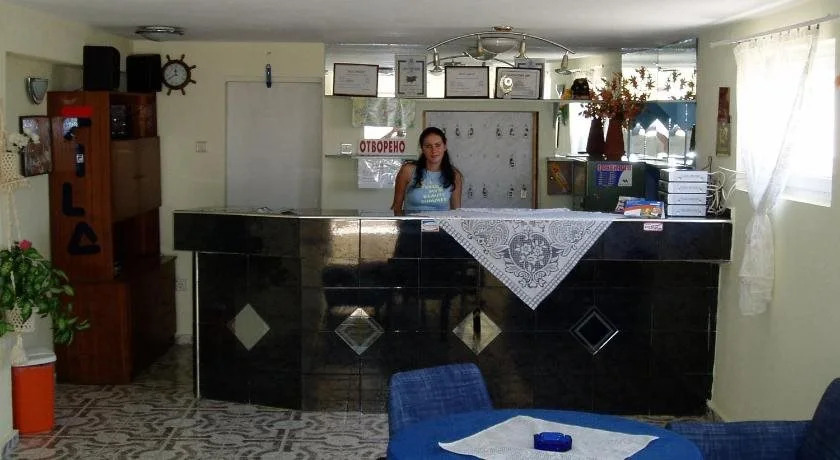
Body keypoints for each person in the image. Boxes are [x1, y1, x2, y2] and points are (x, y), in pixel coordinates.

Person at [391, 127, 462, 214]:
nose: (434, 150)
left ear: (445, 146)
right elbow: (397, 207)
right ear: (422, 149)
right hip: (412, 223)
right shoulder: (408, 171)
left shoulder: (454, 175)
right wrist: (401, 223)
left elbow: (456, 212)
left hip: (441, 223)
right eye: (428, 146)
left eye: (437, 145)